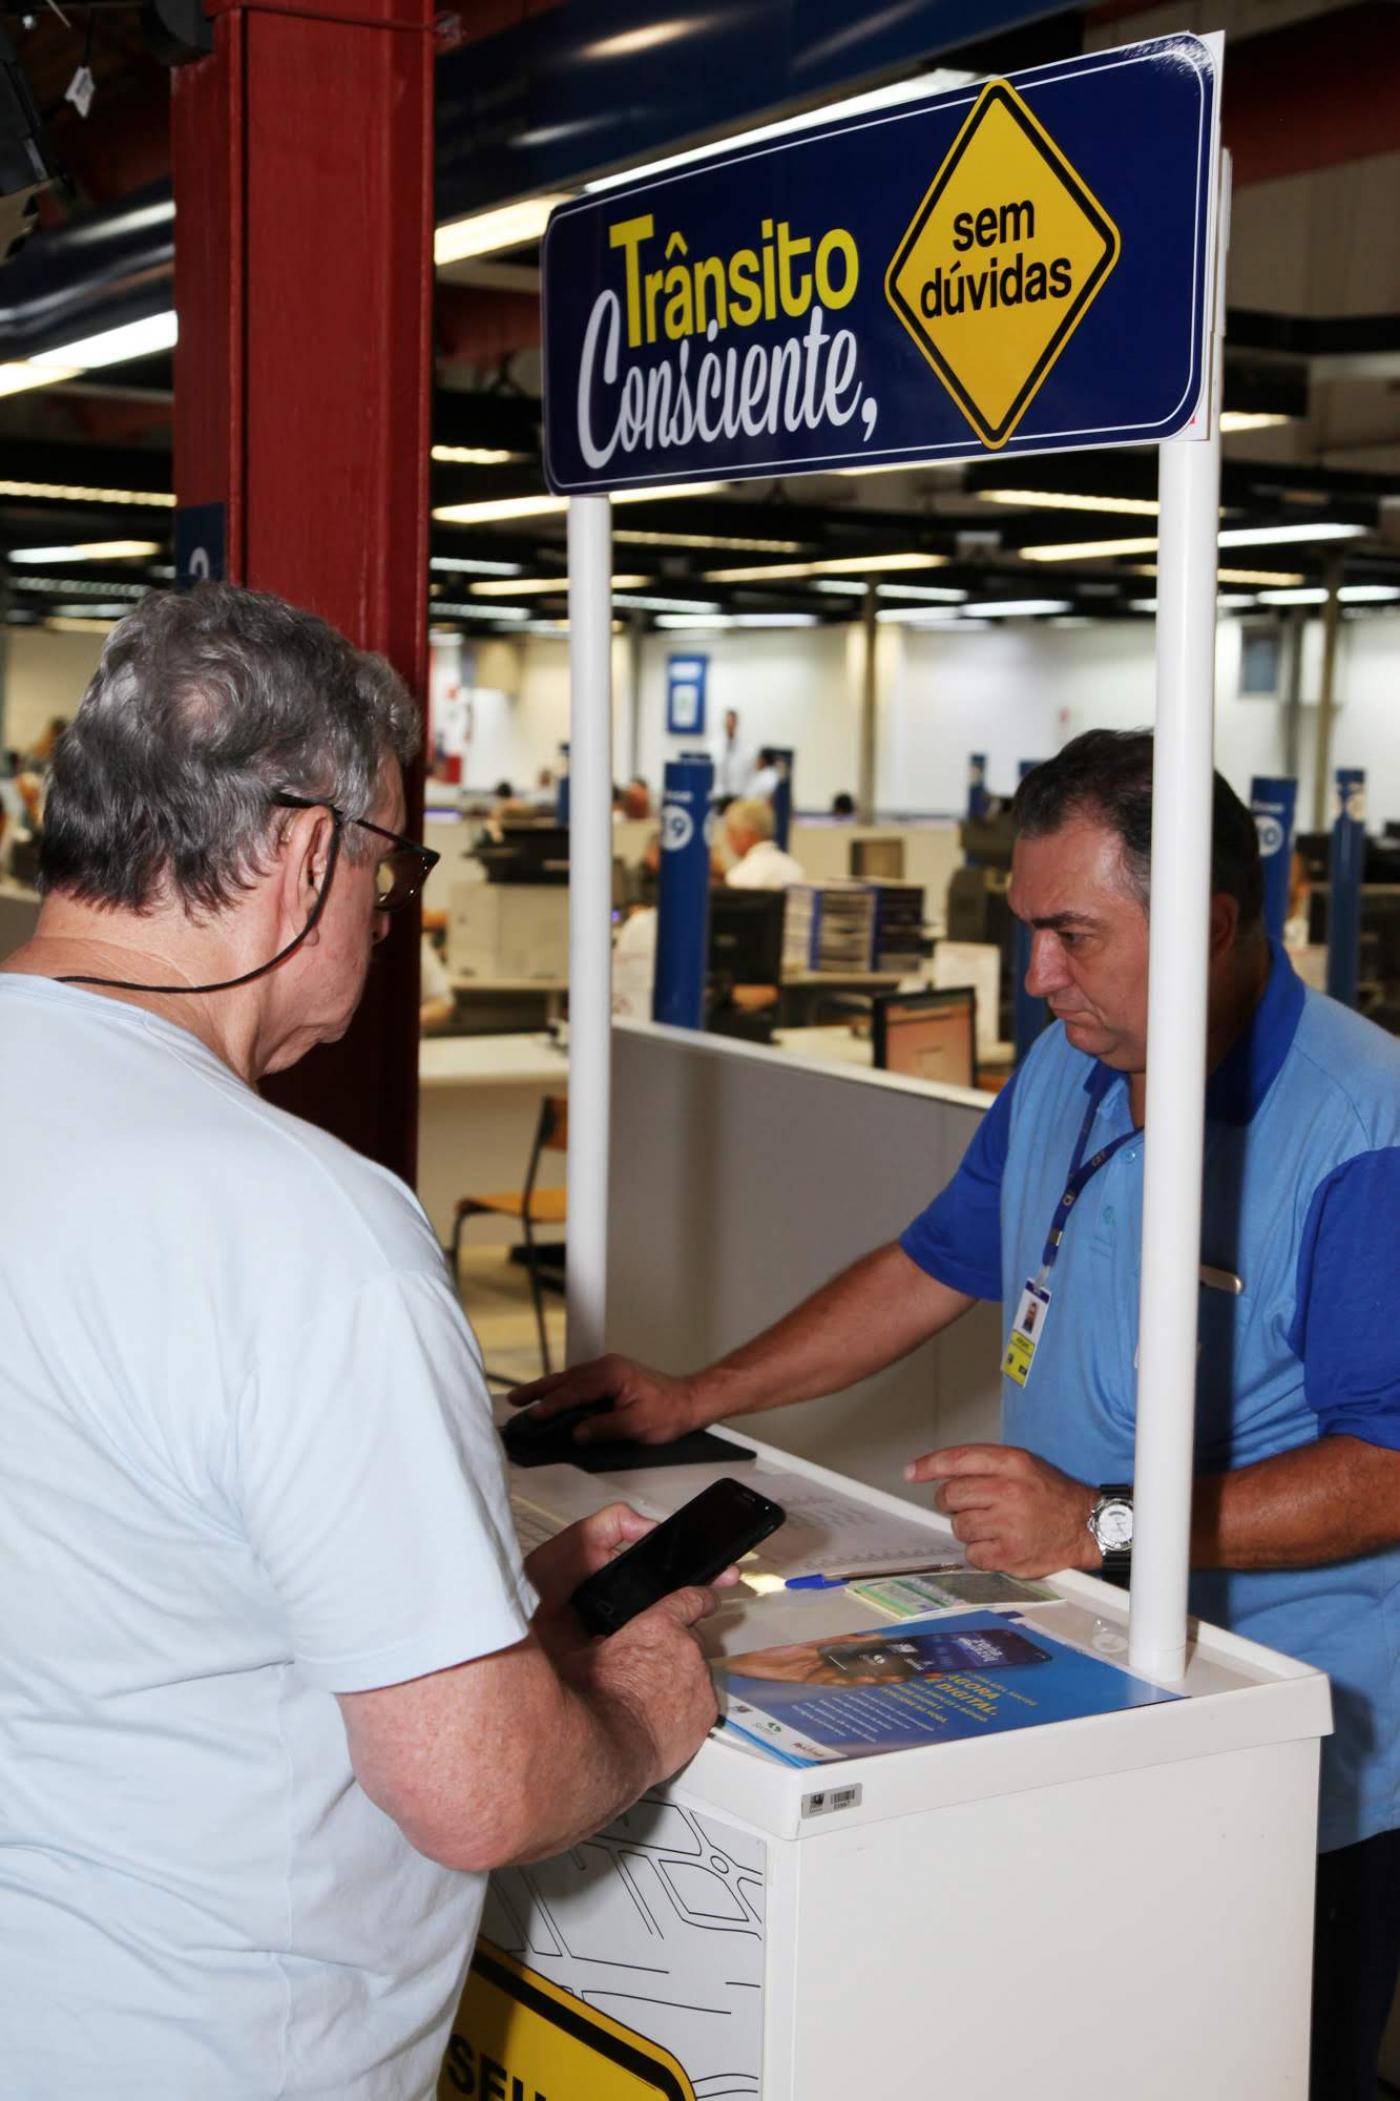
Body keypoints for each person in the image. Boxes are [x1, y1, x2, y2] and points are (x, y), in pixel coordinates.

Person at [513, 728, 1400, 2101]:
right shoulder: (1074, 1063)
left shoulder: (1357, 1129)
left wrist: (1098, 1522)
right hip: (1089, 1665)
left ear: (1214, 925)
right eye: (1027, 931)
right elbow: (935, 1263)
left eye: (1073, 935)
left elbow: (1390, 1471)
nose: (1037, 978)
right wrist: (696, 1394)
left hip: (1289, 1745)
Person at [0, 583, 724, 2098]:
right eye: (392, 871)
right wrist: (641, 1708)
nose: (391, 917)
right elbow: (475, 1789)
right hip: (207, 2049)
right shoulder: (305, 1228)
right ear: (314, 853)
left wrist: (457, 1613)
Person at [722, 796, 805, 890]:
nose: (727, 839)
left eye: (731, 832)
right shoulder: (795, 869)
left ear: (746, 836)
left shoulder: (738, 876)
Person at [709, 706, 755, 800]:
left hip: (738, 794)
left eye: (732, 721)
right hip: (718, 795)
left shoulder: (746, 749)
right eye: (728, 721)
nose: (730, 724)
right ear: (724, 723)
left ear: (736, 723)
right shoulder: (713, 747)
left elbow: (750, 773)